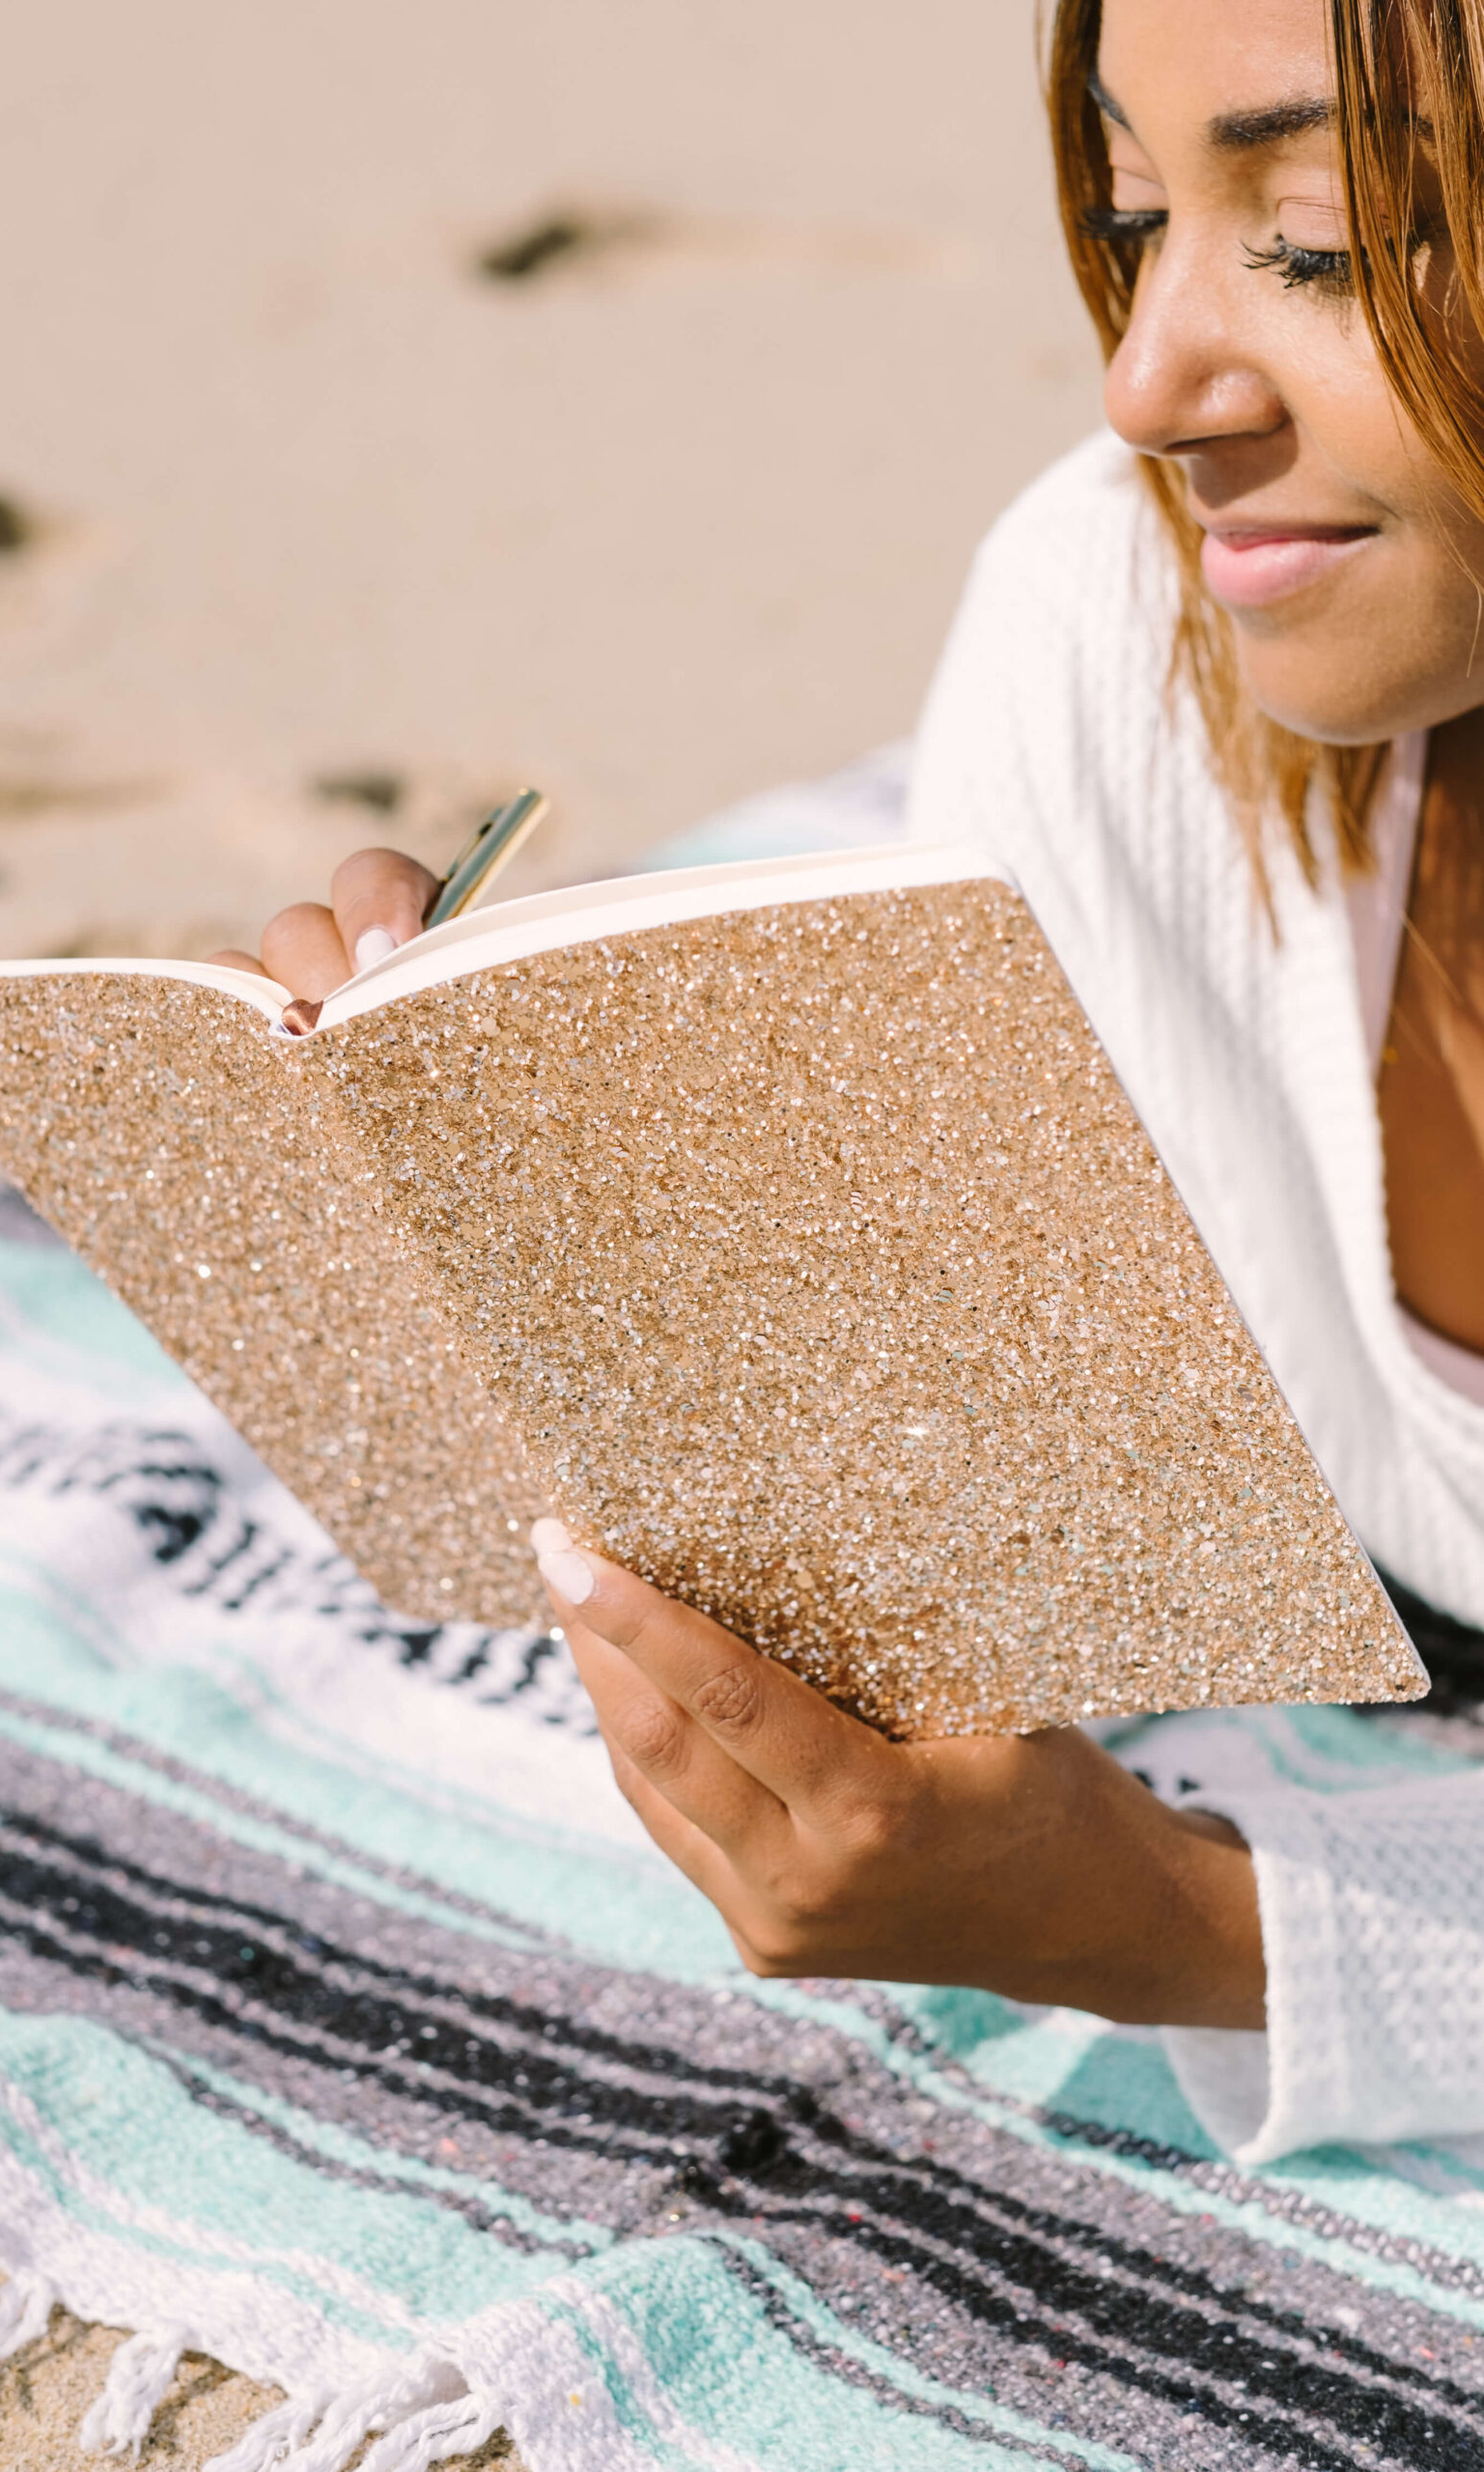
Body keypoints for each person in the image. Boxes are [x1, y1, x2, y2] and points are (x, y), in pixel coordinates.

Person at [214, 0, 1484, 2165]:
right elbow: (979, 1421)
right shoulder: (1119, 632)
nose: (1145, 382)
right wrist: (514, 1152)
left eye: (1319, 239)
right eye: (1131, 210)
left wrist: (1184, 1925)